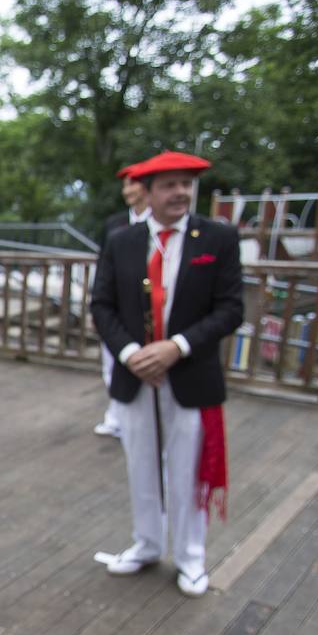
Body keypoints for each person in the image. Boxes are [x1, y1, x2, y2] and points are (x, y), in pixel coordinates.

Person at [90, 151, 244, 597]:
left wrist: (176, 347)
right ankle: (147, 544)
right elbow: (101, 304)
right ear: (149, 191)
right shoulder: (122, 240)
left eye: (186, 184)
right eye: (169, 185)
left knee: (186, 467)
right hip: (136, 374)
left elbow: (231, 308)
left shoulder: (218, 238)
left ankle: (191, 557)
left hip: (190, 373)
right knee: (140, 462)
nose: (180, 192)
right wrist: (131, 352)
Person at [94, 163, 152, 437]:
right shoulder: (115, 225)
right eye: (125, 184)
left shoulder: (158, 224)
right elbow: (103, 266)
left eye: (133, 183)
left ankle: (142, 423)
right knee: (112, 364)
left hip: (149, 309)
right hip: (116, 307)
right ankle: (116, 415)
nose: (128, 190)